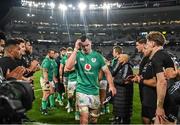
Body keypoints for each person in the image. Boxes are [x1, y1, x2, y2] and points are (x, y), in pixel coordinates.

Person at [65, 36, 116, 124]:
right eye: (83, 46)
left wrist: (111, 85)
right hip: (81, 91)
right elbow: (68, 67)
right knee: (84, 118)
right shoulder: (78, 55)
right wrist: (76, 49)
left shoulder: (98, 56)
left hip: (94, 91)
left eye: (87, 45)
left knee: (93, 119)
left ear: (91, 43)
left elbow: (107, 72)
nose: (85, 48)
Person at [146, 31, 178, 124]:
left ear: (152, 43)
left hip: (169, 99)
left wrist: (159, 107)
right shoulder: (167, 54)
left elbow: (162, 82)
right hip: (174, 96)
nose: (146, 45)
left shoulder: (157, 56)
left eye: (147, 43)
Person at [111, 53, 134, 124]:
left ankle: (122, 121)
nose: (118, 59)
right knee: (119, 110)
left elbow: (124, 80)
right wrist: (118, 64)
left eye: (120, 57)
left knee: (124, 112)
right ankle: (118, 120)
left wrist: (113, 80)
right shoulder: (121, 66)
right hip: (120, 92)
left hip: (124, 93)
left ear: (124, 59)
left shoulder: (127, 66)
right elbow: (113, 73)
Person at [40, 49, 56, 115]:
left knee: (51, 92)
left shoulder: (50, 60)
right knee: (46, 93)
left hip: (49, 79)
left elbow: (51, 71)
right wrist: (46, 82)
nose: (53, 54)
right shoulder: (47, 61)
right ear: (48, 54)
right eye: (52, 53)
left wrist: (52, 79)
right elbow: (44, 71)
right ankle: (43, 109)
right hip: (45, 80)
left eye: (53, 53)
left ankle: (46, 105)